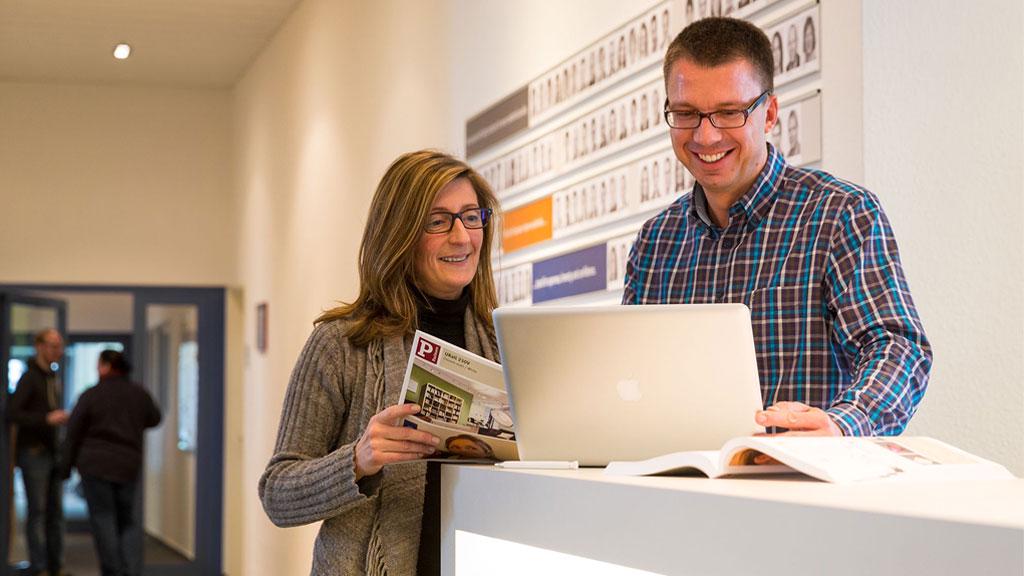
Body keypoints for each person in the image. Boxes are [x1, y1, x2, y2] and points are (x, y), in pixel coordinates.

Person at [626, 18, 931, 437]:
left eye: (729, 113)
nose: (706, 135)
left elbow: (899, 347)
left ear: (768, 114)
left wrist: (845, 424)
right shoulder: (655, 243)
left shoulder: (840, 214)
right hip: (678, 488)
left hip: (801, 489)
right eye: (686, 114)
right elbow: (630, 376)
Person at [259, 150, 500, 576]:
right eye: (437, 221)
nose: (462, 237)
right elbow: (278, 493)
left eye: (471, 216)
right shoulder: (341, 343)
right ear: (399, 233)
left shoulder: (502, 343)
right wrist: (358, 460)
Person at [60, 350, 161, 576]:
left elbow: (73, 432)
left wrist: (65, 468)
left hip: (95, 466)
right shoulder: (138, 394)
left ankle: (112, 571)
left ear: (106, 366)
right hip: (127, 466)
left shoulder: (92, 395)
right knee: (127, 521)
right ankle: (131, 570)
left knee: (103, 519)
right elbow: (155, 418)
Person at [8, 328, 69, 576]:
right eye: (53, 345)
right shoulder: (29, 377)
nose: (58, 351)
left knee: (56, 514)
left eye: (60, 345)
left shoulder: (52, 377)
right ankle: (39, 566)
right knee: (38, 513)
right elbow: (12, 413)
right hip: (34, 453)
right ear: (40, 347)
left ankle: (56, 565)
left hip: (53, 452)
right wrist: (46, 418)